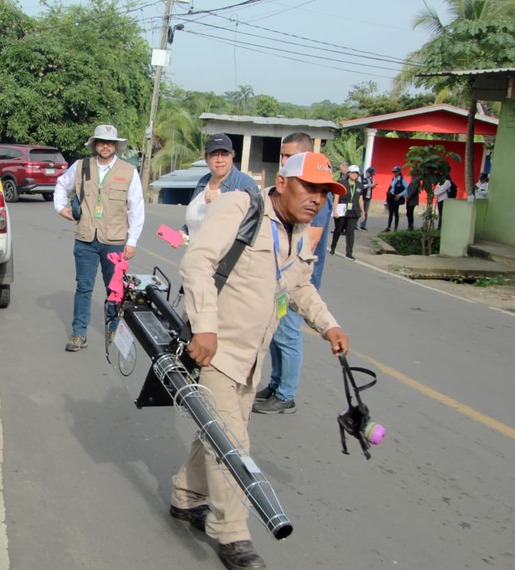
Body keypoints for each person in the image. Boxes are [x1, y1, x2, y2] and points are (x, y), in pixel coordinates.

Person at [170, 151, 349, 570]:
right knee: (232, 443)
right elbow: (197, 261)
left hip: (251, 360)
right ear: (283, 183)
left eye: (325, 192)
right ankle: (232, 533)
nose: (317, 199)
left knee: (217, 433)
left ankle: (185, 496)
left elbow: (300, 287)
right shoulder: (241, 205)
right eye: (310, 187)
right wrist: (205, 327)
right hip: (217, 351)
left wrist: (329, 326)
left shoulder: (298, 232)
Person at [253, 133, 333, 415]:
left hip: (290, 281)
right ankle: (276, 384)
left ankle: (286, 393)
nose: (282, 161)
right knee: (275, 334)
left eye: (288, 156)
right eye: (282, 156)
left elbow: (302, 247)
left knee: (287, 335)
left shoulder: (312, 198)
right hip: (279, 281)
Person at [53, 124, 145, 352]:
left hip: (114, 241)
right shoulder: (81, 166)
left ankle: (113, 326)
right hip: (85, 238)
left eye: (110, 142)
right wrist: (61, 209)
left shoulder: (129, 171)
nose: (105, 146)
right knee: (83, 287)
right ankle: (78, 333)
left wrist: (132, 241)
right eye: (101, 142)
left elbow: (136, 208)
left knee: (115, 289)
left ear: (116, 145)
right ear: (95, 144)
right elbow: (61, 185)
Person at [179, 134, 258, 240]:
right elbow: (197, 219)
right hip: (197, 253)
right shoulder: (202, 183)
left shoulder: (246, 184)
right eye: (214, 154)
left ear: (232, 156)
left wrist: (221, 203)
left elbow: (255, 225)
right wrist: (184, 232)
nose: (220, 159)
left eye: (225, 154)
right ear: (206, 157)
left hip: (226, 255)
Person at [330, 165, 365, 260]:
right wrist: (335, 210)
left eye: (356, 173)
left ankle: (349, 253)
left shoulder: (360, 186)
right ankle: (333, 247)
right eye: (352, 173)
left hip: (354, 212)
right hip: (342, 211)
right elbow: (336, 197)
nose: (354, 175)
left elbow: (361, 200)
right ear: (348, 173)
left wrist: (363, 212)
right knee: (338, 229)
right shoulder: (342, 183)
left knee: (350, 232)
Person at [384, 166, 407, 232]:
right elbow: (391, 187)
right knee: (390, 213)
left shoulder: (402, 180)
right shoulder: (393, 179)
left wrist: (400, 195)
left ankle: (395, 228)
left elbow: (407, 188)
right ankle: (388, 227)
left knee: (396, 213)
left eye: (395, 172)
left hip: (397, 197)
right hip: (391, 197)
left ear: (399, 172)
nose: (394, 173)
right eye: (393, 172)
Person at [360, 166, 376, 230]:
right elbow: (360, 186)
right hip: (362, 196)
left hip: (368, 197)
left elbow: (372, 187)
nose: (371, 176)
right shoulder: (361, 177)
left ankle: (363, 225)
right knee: (359, 211)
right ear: (367, 172)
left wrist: (373, 186)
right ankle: (355, 225)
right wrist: (368, 185)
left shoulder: (371, 179)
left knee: (365, 212)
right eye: (371, 174)